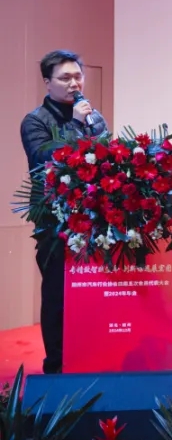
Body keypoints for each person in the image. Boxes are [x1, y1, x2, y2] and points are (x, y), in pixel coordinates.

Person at [20, 50, 108, 374]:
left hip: (93, 219)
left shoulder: (94, 118)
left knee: (94, 294)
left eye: (77, 76)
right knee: (58, 296)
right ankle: (56, 366)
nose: (74, 83)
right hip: (53, 222)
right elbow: (43, 157)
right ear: (48, 82)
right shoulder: (35, 121)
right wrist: (75, 124)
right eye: (65, 78)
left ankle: (92, 359)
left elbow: (107, 156)